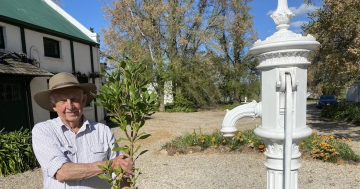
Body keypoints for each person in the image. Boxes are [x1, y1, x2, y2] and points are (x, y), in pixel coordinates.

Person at [32, 72, 133, 189]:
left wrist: (125, 181)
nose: (70, 106)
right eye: (63, 101)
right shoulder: (43, 131)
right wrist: (111, 164)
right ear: (54, 105)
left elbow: (121, 170)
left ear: (83, 100)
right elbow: (62, 173)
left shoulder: (103, 131)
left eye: (74, 99)